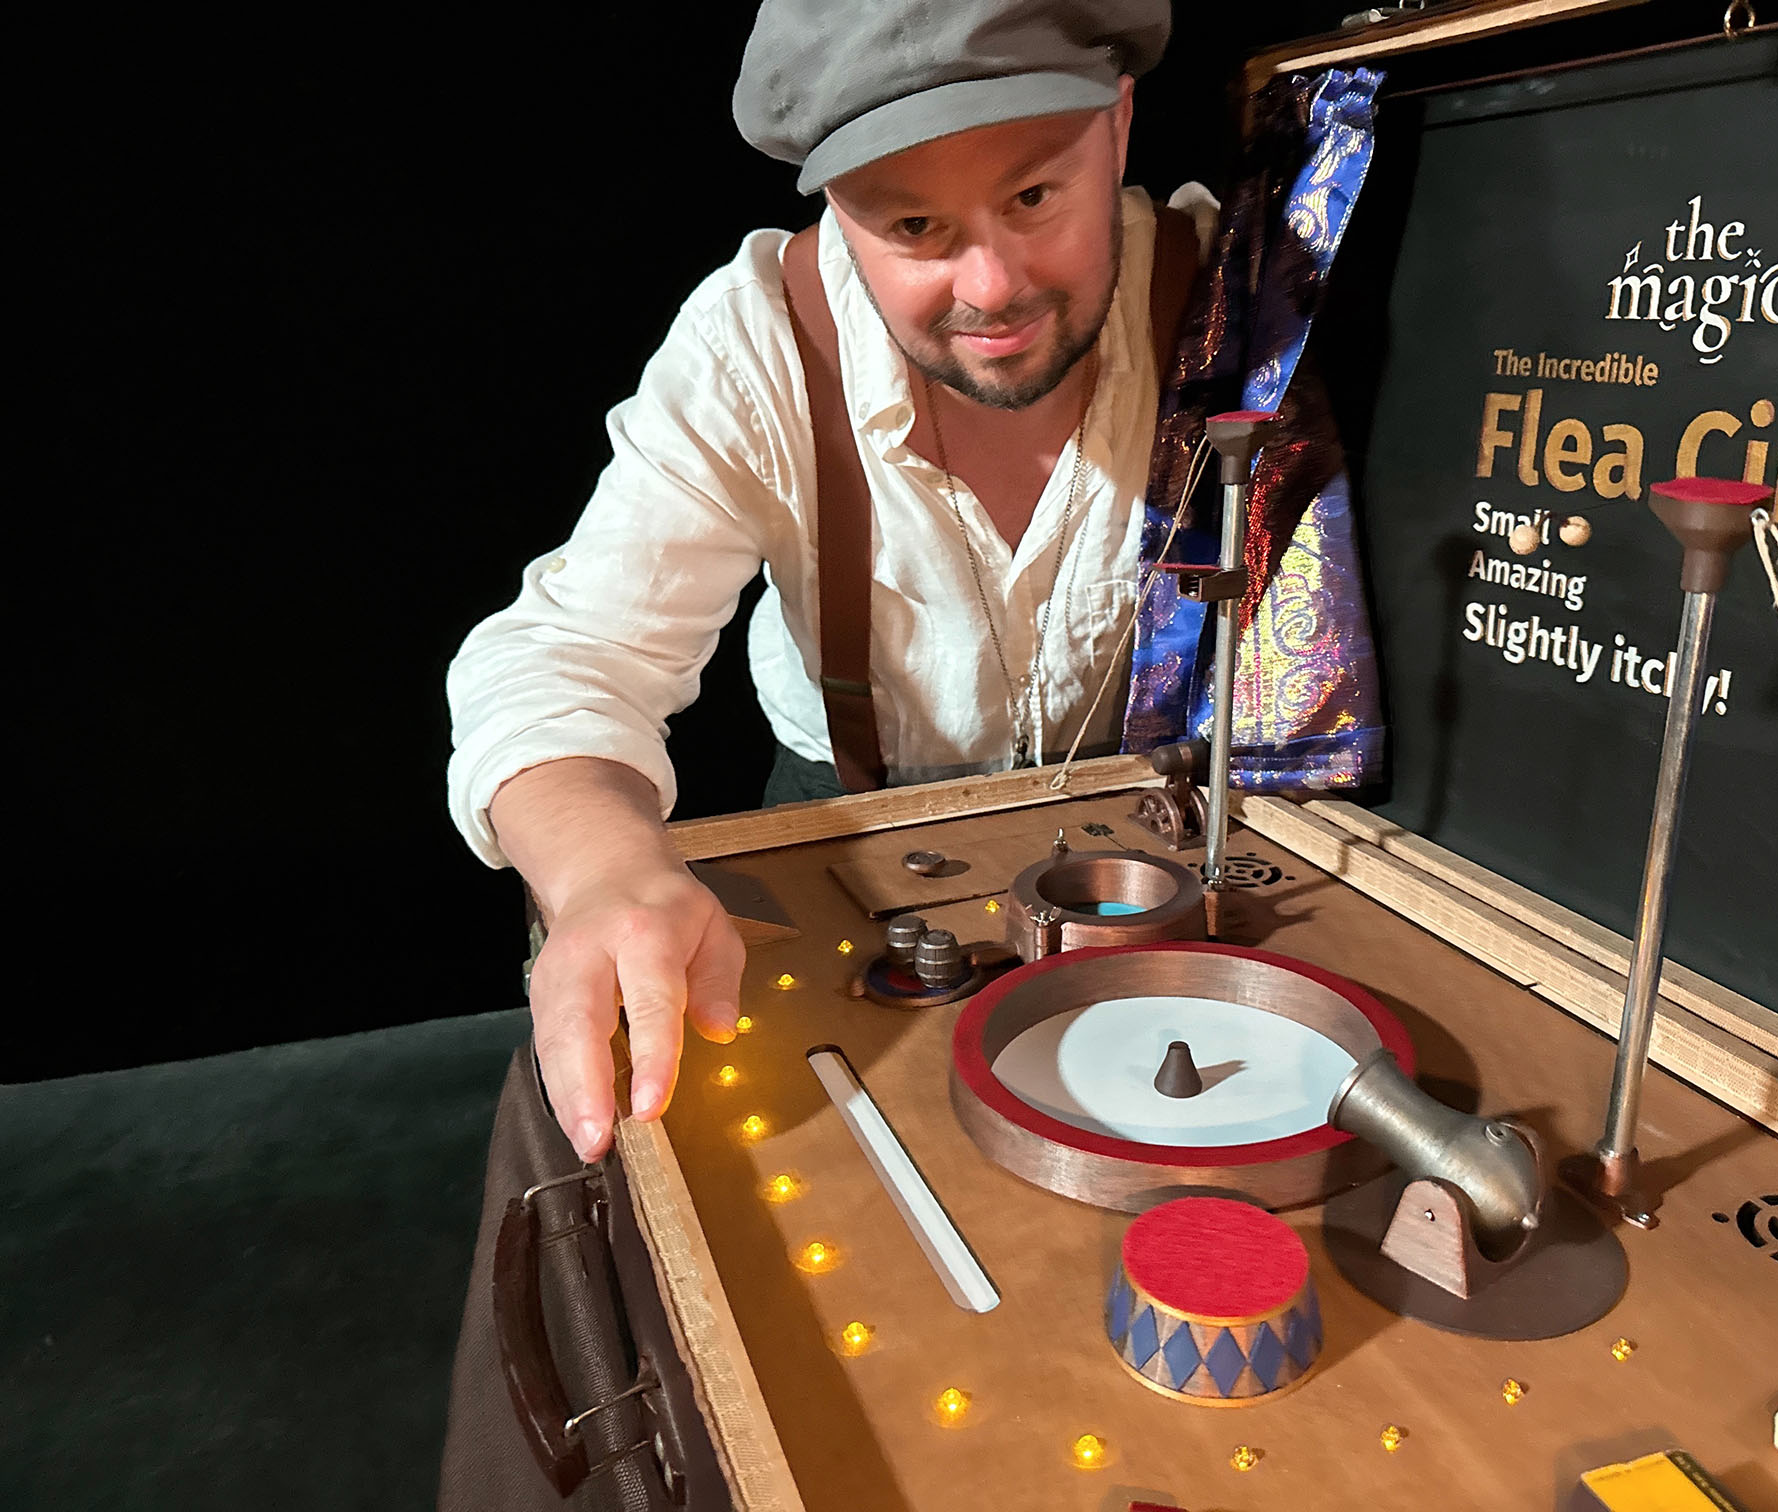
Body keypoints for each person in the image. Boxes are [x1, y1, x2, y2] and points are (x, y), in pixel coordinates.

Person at [446, 0, 1209, 1164]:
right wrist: (604, 873)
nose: (991, 285)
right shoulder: (760, 337)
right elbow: (564, 657)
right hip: (844, 814)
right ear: (838, 210)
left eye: (1033, 197)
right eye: (915, 225)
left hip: (1166, 835)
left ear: (1119, 119)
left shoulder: (1245, 301)